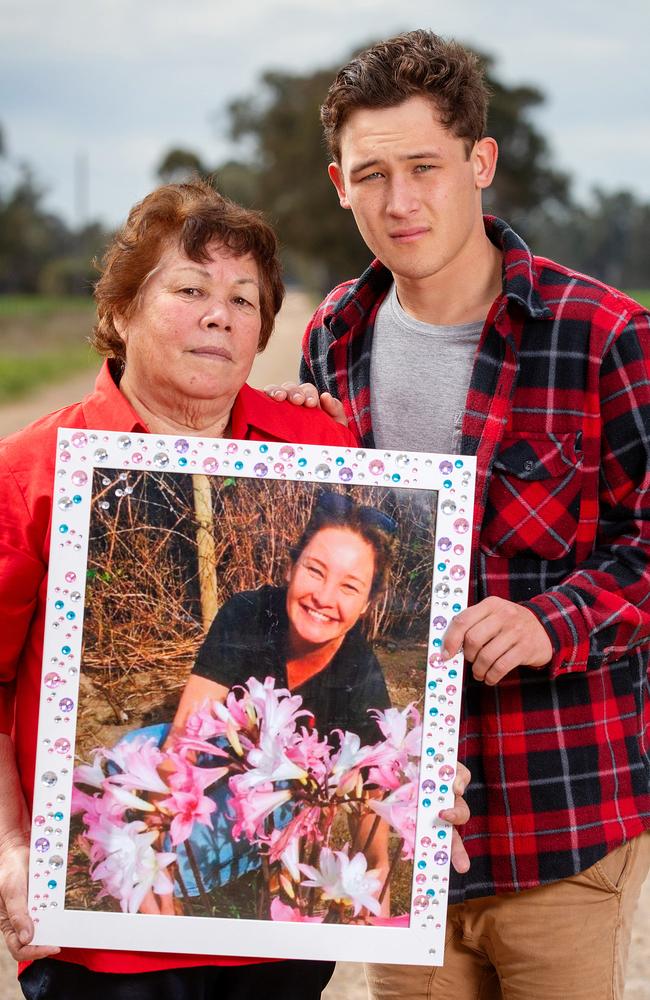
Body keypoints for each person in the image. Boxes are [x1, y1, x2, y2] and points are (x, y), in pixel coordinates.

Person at [0, 178, 471, 999]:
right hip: (106, 945)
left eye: (244, 300)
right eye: (189, 290)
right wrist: (10, 848)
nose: (219, 314)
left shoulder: (317, 440)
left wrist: (416, 787)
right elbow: (181, 748)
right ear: (118, 313)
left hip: (272, 946)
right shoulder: (35, 469)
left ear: (262, 332)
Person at [267, 29, 650, 1000]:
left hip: (558, 827)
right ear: (336, 183)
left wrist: (547, 619)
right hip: (397, 835)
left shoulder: (604, 335)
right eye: (371, 174)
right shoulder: (330, 342)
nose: (399, 202)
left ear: (478, 163)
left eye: (424, 167)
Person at [149, 490, 397, 912]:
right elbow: (183, 741)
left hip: (284, 795)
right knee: (132, 759)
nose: (323, 597)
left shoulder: (362, 674)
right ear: (290, 567)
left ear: (367, 604)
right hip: (223, 773)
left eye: (349, 587)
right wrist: (155, 871)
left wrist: (373, 897)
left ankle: (266, 868)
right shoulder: (246, 613)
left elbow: (371, 819)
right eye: (314, 570)